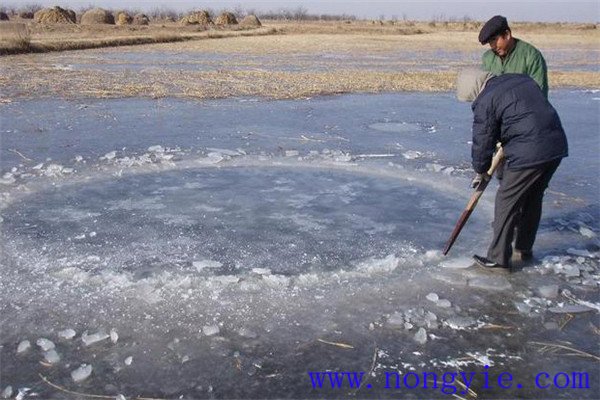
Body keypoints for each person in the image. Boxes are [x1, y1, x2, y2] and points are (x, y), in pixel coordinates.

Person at [456, 68, 568, 271]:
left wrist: (481, 169)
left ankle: (498, 258)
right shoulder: (519, 80)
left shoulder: (486, 100)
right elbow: (523, 116)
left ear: (475, 89)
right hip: (555, 146)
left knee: (506, 200)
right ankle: (524, 247)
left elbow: (483, 141)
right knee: (532, 199)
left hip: (529, 152)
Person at [479, 15, 549, 99]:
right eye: (490, 42)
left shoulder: (531, 56)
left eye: (494, 40)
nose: (493, 46)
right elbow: (485, 92)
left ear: (507, 35)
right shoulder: (487, 58)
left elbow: (540, 94)